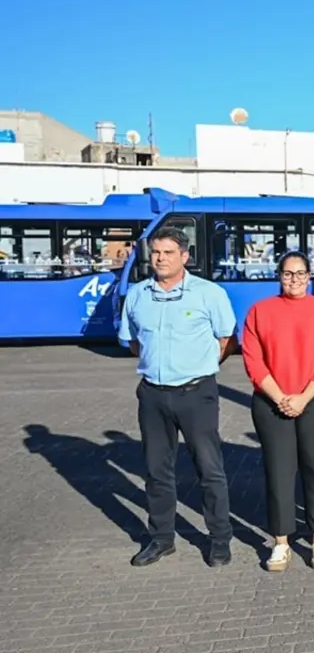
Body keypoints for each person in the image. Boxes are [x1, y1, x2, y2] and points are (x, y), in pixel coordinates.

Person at [118, 226, 237, 567]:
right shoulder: (139, 295)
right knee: (156, 471)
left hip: (196, 393)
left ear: (184, 257)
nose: (160, 258)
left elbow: (227, 339)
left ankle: (218, 539)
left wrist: (200, 366)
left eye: (169, 252)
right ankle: (161, 538)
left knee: (209, 468)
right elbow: (133, 341)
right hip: (153, 395)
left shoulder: (208, 293)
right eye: (156, 252)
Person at [241, 252, 314, 571]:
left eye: (300, 273)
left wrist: (304, 397)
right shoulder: (259, 312)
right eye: (287, 274)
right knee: (279, 472)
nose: (294, 279)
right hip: (272, 402)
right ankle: (281, 542)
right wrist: (281, 396)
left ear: (310, 276)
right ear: (278, 276)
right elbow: (253, 361)